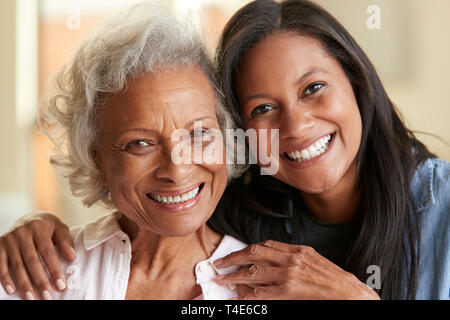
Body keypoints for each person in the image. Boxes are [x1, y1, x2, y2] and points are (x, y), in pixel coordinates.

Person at [1, 0, 449, 300]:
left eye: (314, 88)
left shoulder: (440, 208)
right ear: (240, 134)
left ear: (358, 81)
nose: (295, 125)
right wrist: (29, 225)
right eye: (264, 108)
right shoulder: (238, 215)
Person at [0, 3, 249, 300]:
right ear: (98, 160)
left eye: (199, 134)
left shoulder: (268, 287)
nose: (177, 169)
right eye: (140, 144)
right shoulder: (38, 275)